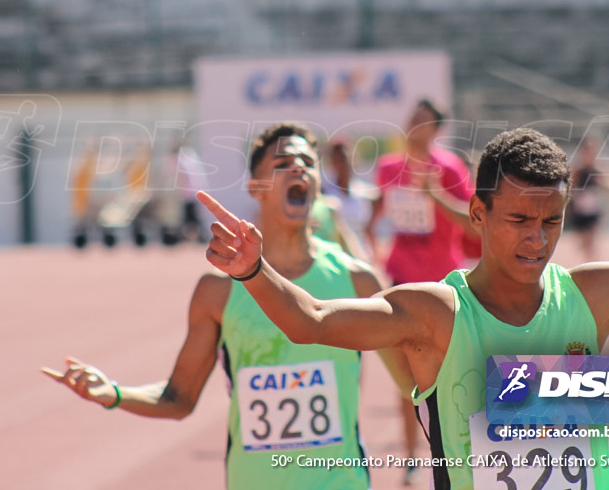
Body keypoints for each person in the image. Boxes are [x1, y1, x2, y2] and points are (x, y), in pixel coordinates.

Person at [198, 127, 609, 490]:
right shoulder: (436, 313)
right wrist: (254, 270)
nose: (536, 239)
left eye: (551, 222)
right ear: (476, 214)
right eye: (517, 221)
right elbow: (312, 319)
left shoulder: (596, 296)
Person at [43, 123, 412, 490]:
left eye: (307, 162)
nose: (298, 167)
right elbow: (179, 398)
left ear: (317, 182)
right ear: (256, 188)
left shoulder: (358, 281)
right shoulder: (218, 291)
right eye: (283, 162)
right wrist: (115, 393)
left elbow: (413, 386)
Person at [363, 98, 478, 482]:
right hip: (401, 279)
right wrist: (372, 243)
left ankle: (461, 448)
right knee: (405, 371)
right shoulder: (389, 168)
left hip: (444, 282)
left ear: (436, 130)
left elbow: (472, 223)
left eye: (423, 121)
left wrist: (435, 195)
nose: (414, 126)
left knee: (453, 370)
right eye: (411, 118)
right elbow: (376, 212)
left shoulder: (449, 168)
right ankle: (413, 453)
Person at [567, 136, 609, 262]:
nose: (589, 154)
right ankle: (587, 261)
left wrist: (605, 181)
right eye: (586, 151)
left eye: (592, 151)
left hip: (593, 212)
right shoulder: (577, 171)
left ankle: (592, 265)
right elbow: (568, 189)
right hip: (579, 212)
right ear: (581, 153)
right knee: (585, 243)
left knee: (592, 242)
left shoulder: (599, 171)